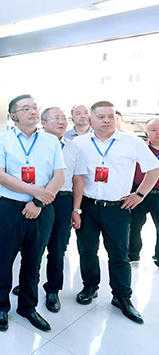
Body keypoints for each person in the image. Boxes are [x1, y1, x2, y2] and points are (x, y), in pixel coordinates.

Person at [73, 101, 159, 324]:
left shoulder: (131, 142)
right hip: (88, 206)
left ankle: (122, 297)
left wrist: (139, 194)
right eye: (101, 117)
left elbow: (154, 169)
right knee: (87, 251)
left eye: (110, 116)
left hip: (117, 208)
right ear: (91, 119)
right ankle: (90, 287)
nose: (106, 120)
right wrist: (75, 208)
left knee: (120, 255)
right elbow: (73, 176)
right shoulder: (79, 143)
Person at [0, 94, 65, 333]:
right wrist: (34, 191)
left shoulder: (51, 141)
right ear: (13, 116)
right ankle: (1, 306)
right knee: (4, 261)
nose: (33, 111)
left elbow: (59, 176)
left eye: (34, 107)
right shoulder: (2, 139)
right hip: (10, 208)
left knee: (33, 261)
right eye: (26, 108)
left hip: (42, 209)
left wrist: (38, 202)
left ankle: (28, 307)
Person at [30, 107, 86, 312]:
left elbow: (78, 180)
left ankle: (53, 289)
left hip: (62, 201)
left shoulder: (74, 148)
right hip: (36, 198)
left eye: (64, 118)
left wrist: (76, 209)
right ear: (43, 123)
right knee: (32, 246)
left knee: (57, 248)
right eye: (56, 118)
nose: (62, 121)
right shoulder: (32, 144)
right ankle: (28, 283)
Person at [128, 118, 159, 267]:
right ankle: (132, 254)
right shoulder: (138, 149)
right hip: (138, 192)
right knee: (133, 225)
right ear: (146, 132)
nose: (158, 133)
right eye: (153, 130)